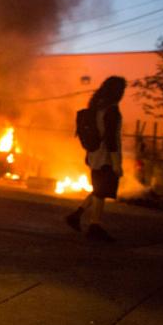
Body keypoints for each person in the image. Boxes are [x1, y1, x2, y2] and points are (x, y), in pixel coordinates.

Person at [65, 76, 126, 243]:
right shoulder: (112, 110)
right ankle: (94, 226)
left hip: (94, 154)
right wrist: (116, 164)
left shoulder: (95, 106)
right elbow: (111, 139)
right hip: (105, 156)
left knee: (100, 188)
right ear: (117, 92)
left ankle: (76, 216)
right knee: (101, 192)